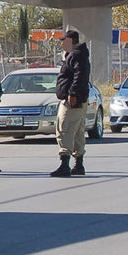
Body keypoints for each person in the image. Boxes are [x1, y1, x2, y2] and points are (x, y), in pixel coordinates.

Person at [50, 28, 91, 177]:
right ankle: (79, 165)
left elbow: (79, 75)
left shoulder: (76, 55)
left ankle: (64, 165)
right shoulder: (77, 54)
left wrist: (72, 93)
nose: (62, 44)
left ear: (71, 41)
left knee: (65, 129)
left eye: (64, 41)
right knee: (78, 131)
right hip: (78, 99)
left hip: (73, 101)